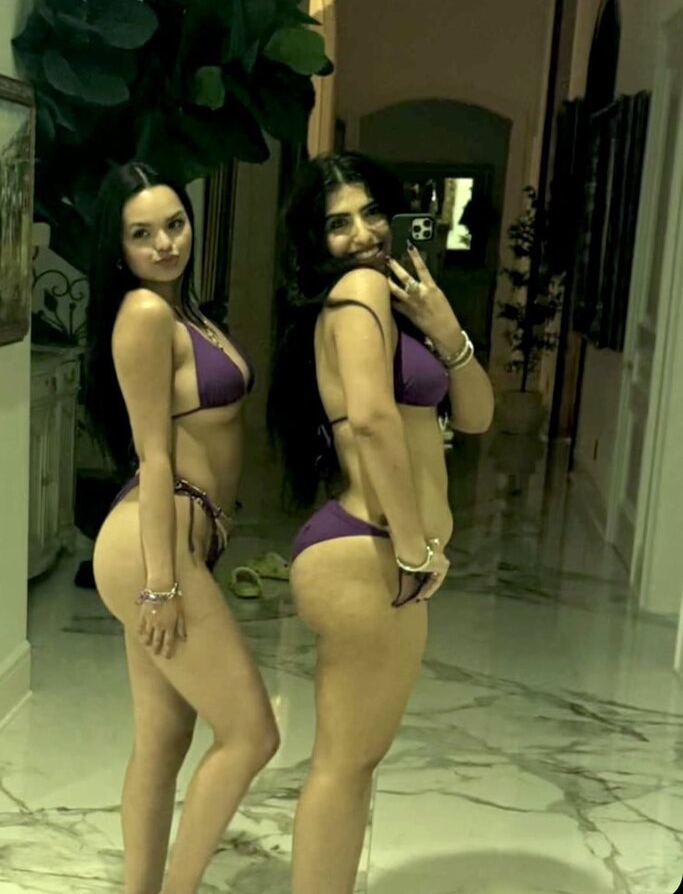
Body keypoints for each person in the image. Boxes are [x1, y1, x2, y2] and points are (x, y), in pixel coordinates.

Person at [268, 152, 494, 894]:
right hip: (372, 551)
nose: (363, 234)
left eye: (371, 213)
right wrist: (413, 547)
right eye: (338, 223)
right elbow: (369, 421)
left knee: (352, 762)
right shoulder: (359, 291)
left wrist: (446, 328)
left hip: (373, 551)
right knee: (342, 766)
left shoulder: (390, 308)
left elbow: (476, 415)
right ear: (314, 239)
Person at [85, 161, 279, 894]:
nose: (165, 243)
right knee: (252, 733)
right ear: (118, 248)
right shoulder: (143, 313)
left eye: (174, 224)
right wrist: (162, 584)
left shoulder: (183, 310)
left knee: (164, 739)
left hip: (172, 535)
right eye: (142, 234)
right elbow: (155, 454)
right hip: (152, 543)